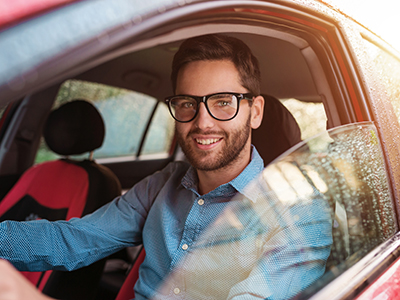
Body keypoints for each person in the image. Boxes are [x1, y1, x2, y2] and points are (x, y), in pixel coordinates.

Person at [0, 34, 332, 299]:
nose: (203, 122)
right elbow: (73, 240)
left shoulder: (299, 215)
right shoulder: (163, 184)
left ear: (255, 111)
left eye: (222, 103)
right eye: (188, 103)